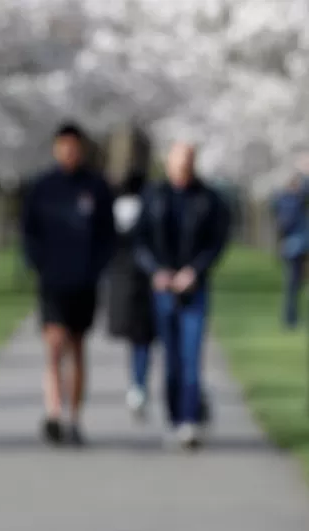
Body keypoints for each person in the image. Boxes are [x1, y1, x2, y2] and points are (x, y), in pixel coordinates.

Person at [22, 122, 116, 446]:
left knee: (76, 348)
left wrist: (95, 269)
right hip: (53, 281)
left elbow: (108, 236)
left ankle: (74, 417)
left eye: (74, 146)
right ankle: (53, 413)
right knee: (54, 345)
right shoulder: (43, 188)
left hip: (84, 282)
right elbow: (29, 233)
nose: (69, 152)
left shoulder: (96, 187)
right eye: (63, 146)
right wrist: (39, 265)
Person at [134, 142, 229, 450]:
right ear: (169, 163)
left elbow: (216, 241)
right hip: (163, 288)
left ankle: (190, 421)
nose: (184, 166)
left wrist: (195, 271)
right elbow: (139, 241)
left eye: (188, 160)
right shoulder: (154, 196)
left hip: (194, 289)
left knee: (191, 357)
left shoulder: (208, 199)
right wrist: (155, 271)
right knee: (171, 360)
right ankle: (175, 419)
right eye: (179, 160)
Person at [105, 171, 155, 419]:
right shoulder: (150, 207)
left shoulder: (114, 209)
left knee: (136, 340)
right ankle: (139, 383)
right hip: (148, 281)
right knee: (144, 339)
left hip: (123, 280)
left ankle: (137, 385)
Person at [272, 172, 309, 329]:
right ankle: (290, 318)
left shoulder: (286, 200)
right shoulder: (292, 202)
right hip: (296, 246)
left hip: (293, 245)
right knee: (293, 284)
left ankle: (291, 317)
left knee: (294, 284)